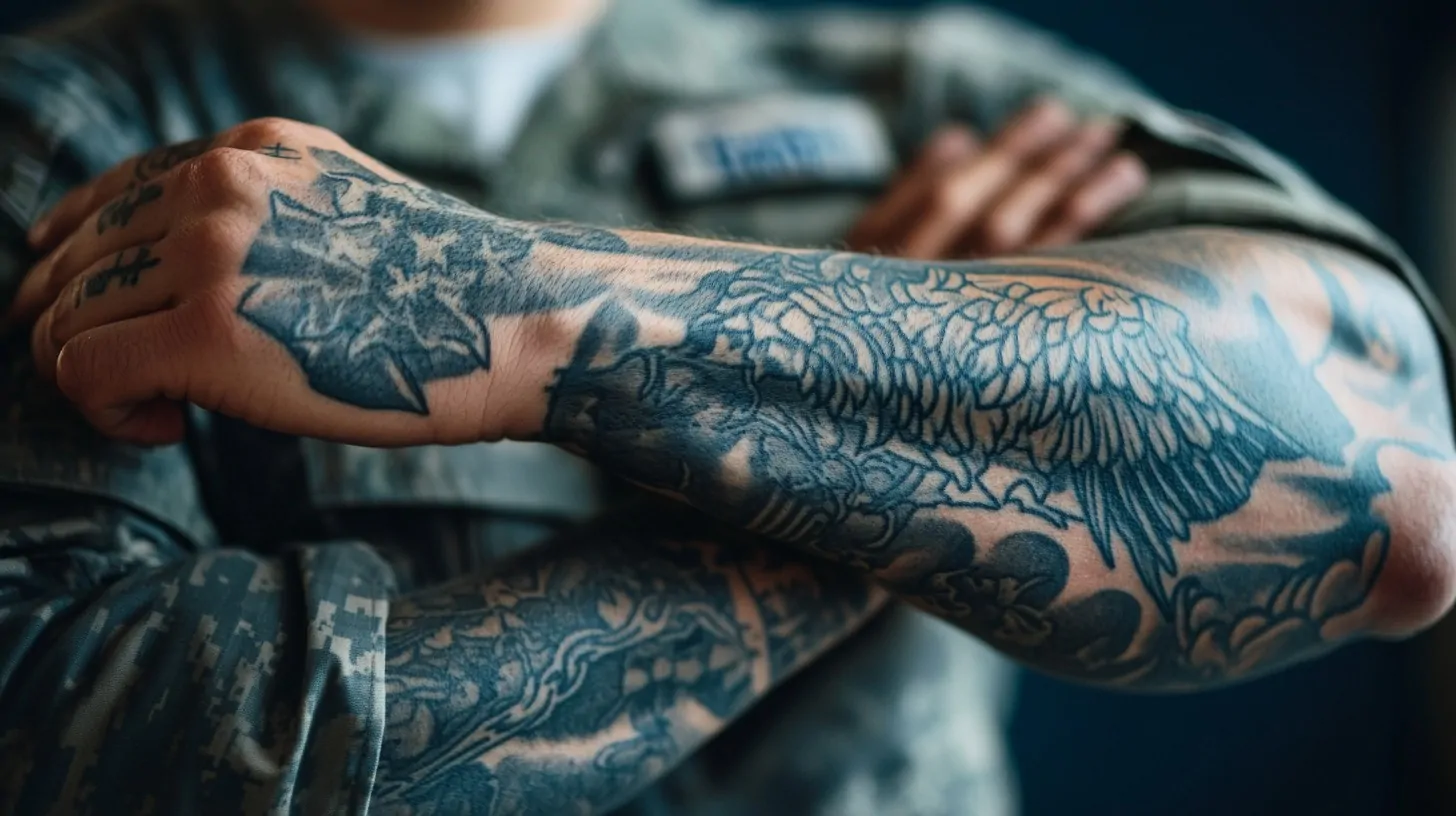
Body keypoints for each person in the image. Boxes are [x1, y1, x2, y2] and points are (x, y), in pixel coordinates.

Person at [0, 0, 1453, 813]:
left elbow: (1395, 503)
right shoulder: (57, 126)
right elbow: (90, 746)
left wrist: (502, 306)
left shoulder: (943, 101)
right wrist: (891, 423)